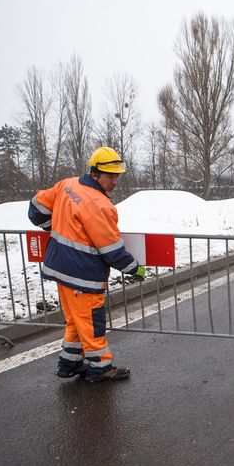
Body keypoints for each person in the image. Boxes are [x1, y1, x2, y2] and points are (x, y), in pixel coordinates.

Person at [28, 147, 146, 383]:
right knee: (92, 322)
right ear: (95, 173)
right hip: (82, 275)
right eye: (109, 176)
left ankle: (69, 363)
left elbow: (36, 208)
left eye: (117, 176)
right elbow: (111, 248)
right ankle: (101, 368)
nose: (114, 181)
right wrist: (134, 268)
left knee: (76, 320)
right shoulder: (100, 205)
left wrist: (51, 225)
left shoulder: (67, 185)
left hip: (60, 270)